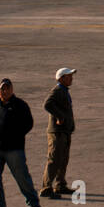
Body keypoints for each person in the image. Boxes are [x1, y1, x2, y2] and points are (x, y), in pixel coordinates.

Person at [0, 78, 42, 207]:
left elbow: (29, 123)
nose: (5, 91)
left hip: (14, 149)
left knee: (22, 178)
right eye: (2, 89)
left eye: (8, 88)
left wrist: (15, 135)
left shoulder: (20, 105)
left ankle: (34, 204)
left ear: (12, 90)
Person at [40, 67, 77, 199]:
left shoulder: (64, 91)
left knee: (63, 159)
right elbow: (47, 104)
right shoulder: (57, 90)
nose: (71, 78)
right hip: (57, 133)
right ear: (61, 78)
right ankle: (46, 187)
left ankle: (60, 184)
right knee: (54, 159)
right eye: (69, 76)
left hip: (64, 132)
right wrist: (59, 117)